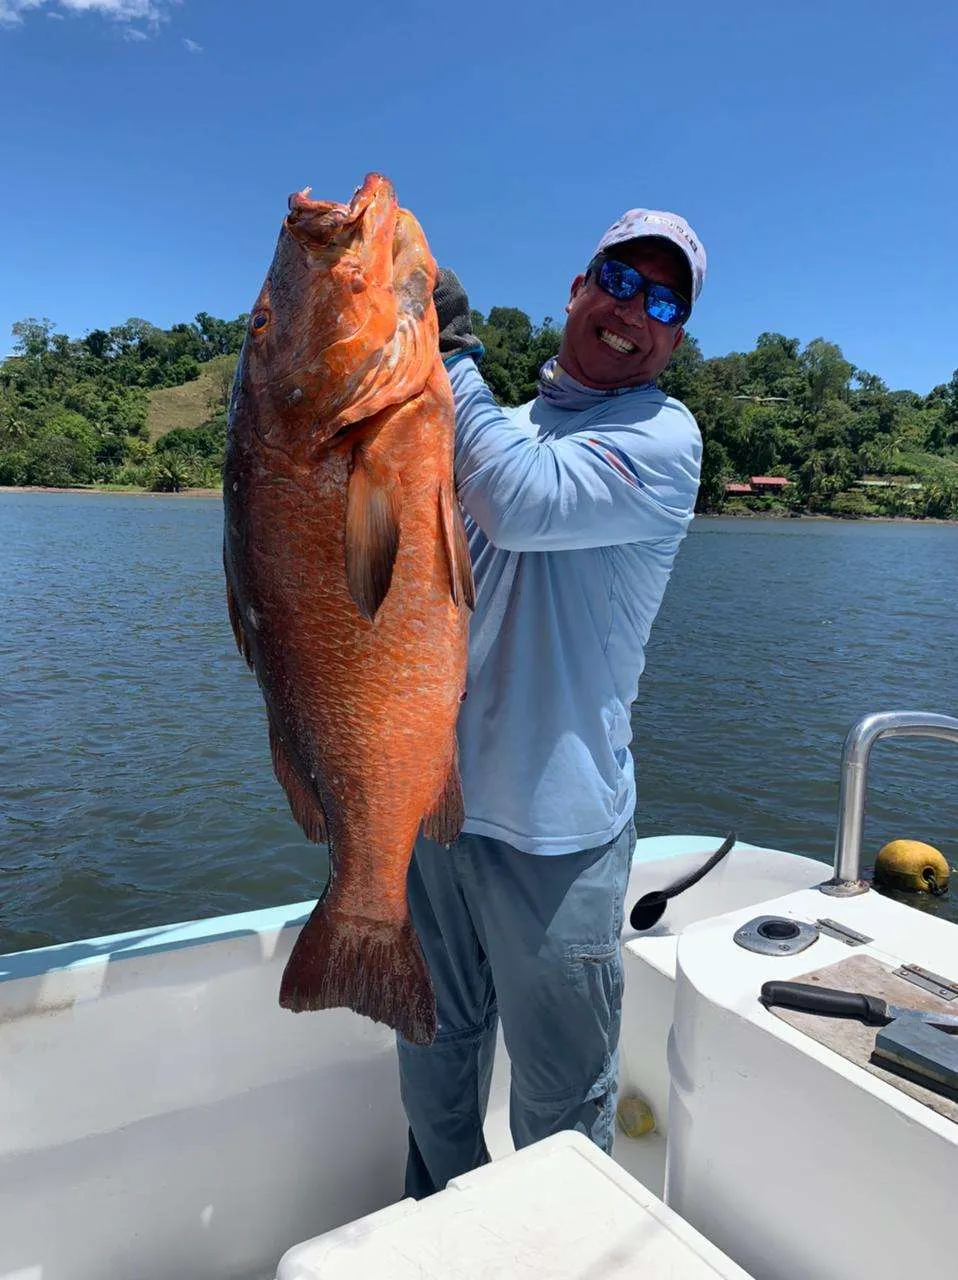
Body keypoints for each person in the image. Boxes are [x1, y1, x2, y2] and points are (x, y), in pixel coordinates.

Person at [397, 208, 707, 1199]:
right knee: (433, 1063)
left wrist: (445, 346)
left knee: (559, 1106)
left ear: (674, 338)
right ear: (578, 288)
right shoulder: (496, 425)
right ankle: (440, 1227)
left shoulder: (662, 437)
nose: (633, 309)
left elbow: (518, 501)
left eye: (664, 301)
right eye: (619, 280)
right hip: (433, 806)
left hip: (557, 834)